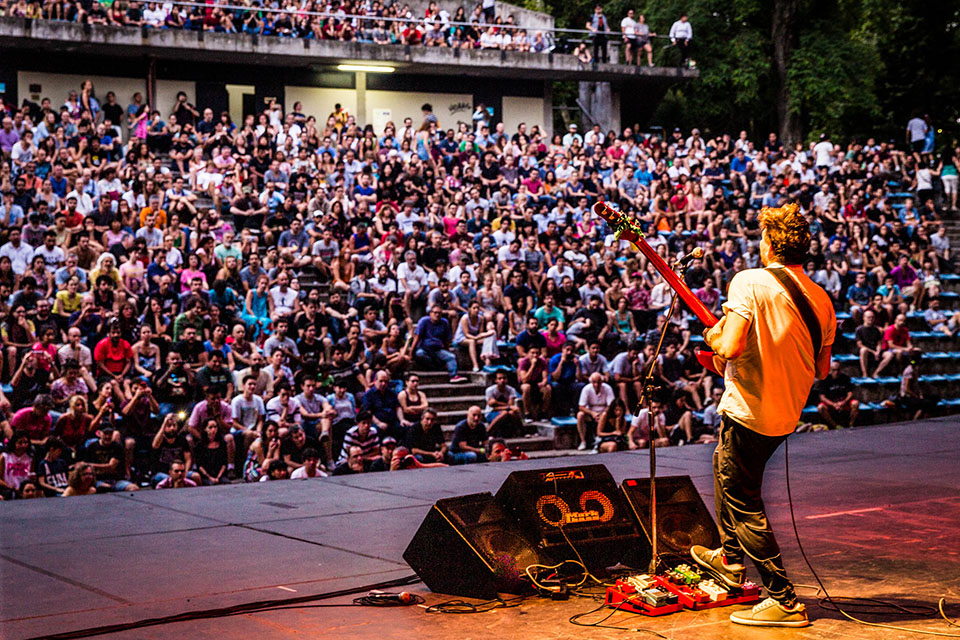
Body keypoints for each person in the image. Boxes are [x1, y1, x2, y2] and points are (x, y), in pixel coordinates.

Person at [693, 203, 834, 627]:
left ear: (770, 244)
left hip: (749, 410)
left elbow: (731, 346)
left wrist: (713, 335)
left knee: (743, 501)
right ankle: (730, 559)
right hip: (785, 414)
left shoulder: (749, 281)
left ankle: (783, 599)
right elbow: (822, 369)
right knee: (724, 466)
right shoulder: (821, 298)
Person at [816, 361, 858, 429]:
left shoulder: (845, 378)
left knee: (855, 403)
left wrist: (843, 402)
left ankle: (851, 424)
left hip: (843, 402)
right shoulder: (825, 380)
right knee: (820, 407)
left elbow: (850, 393)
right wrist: (833, 404)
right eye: (834, 370)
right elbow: (822, 397)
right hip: (831, 403)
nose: (836, 372)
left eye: (838, 370)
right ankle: (835, 425)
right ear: (830, 370)